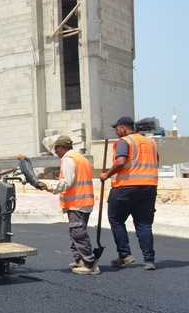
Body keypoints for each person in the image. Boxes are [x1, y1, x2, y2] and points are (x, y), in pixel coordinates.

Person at [100, 116, 159, 270]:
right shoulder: (151, 143)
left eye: (117, 128)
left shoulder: (124, 142)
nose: (116, 131)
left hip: (125, 187)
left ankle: (125, 255)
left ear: (124, 128)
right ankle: (149, 260)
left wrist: (106, 174)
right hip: (149, 188)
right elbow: (156, 162)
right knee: (144, 224)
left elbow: (120, 162)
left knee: (116, 219)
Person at [36, 135, 99, 275]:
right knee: (76, 233)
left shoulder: (68, 160)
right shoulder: (81, 158)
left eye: (56, 150)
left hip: (77, 202)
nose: (56, 153)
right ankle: (80, 260)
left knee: (78, 233)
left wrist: (50, 187)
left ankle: (90, 264)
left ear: (61, 148)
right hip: (84, 201)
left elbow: (67, 181)